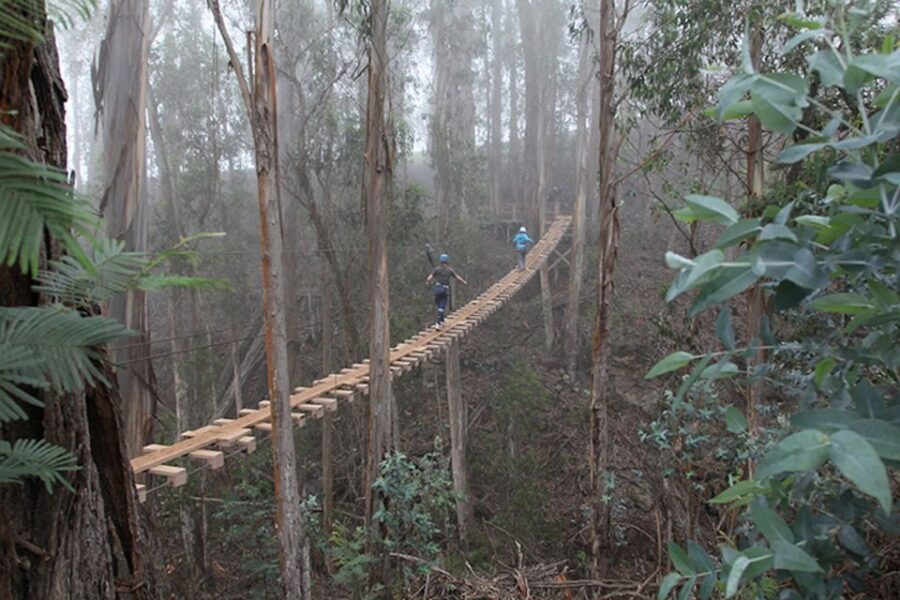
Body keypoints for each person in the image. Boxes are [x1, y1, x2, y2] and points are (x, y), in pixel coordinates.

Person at [426, 254, 467, 328]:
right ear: (447, 261)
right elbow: (457, 277)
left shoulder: (436, 269)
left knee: (439, 306)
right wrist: (463, 281)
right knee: (442, 306)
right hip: (444, 289)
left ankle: (441, 320)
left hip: (437, 289)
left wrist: (428, 282)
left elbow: (429, 278)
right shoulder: (450, 270)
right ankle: (438, 323)